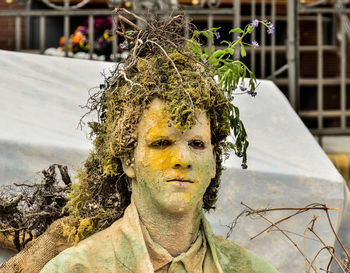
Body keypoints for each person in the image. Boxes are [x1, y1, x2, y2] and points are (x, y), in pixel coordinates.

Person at [38, 13, 279, 273]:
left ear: (214, 162)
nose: (182, 159)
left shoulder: (252, 270)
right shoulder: (77, 269)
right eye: (162, 143)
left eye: (197, 144)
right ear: (128, 158)